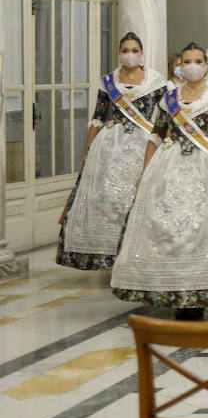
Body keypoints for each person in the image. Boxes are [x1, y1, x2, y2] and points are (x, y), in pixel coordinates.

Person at [110, 43, 208, 319]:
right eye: (187, 61)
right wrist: (145, 174)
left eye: (198, 61)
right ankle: (174, 290)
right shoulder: (168, 99)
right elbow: (155, 138)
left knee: (206, 228)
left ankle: (204, 290)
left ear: (206, 65)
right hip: (170, 167)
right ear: (180, 66)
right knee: (170, 226)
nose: (193, 65)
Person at [56, 32, 167, 270]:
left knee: (139, 196)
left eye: (134, 50)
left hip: (144, 145)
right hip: (110, 145)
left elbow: (166, 118)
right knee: (106, 198)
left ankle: (141, 253)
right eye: (125, 50)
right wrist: (88, 150)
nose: (130, 55)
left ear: (142, 53)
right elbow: (98, 116)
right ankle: (108, 255)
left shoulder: (156, 81)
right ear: (119, 53)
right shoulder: (108, 81)